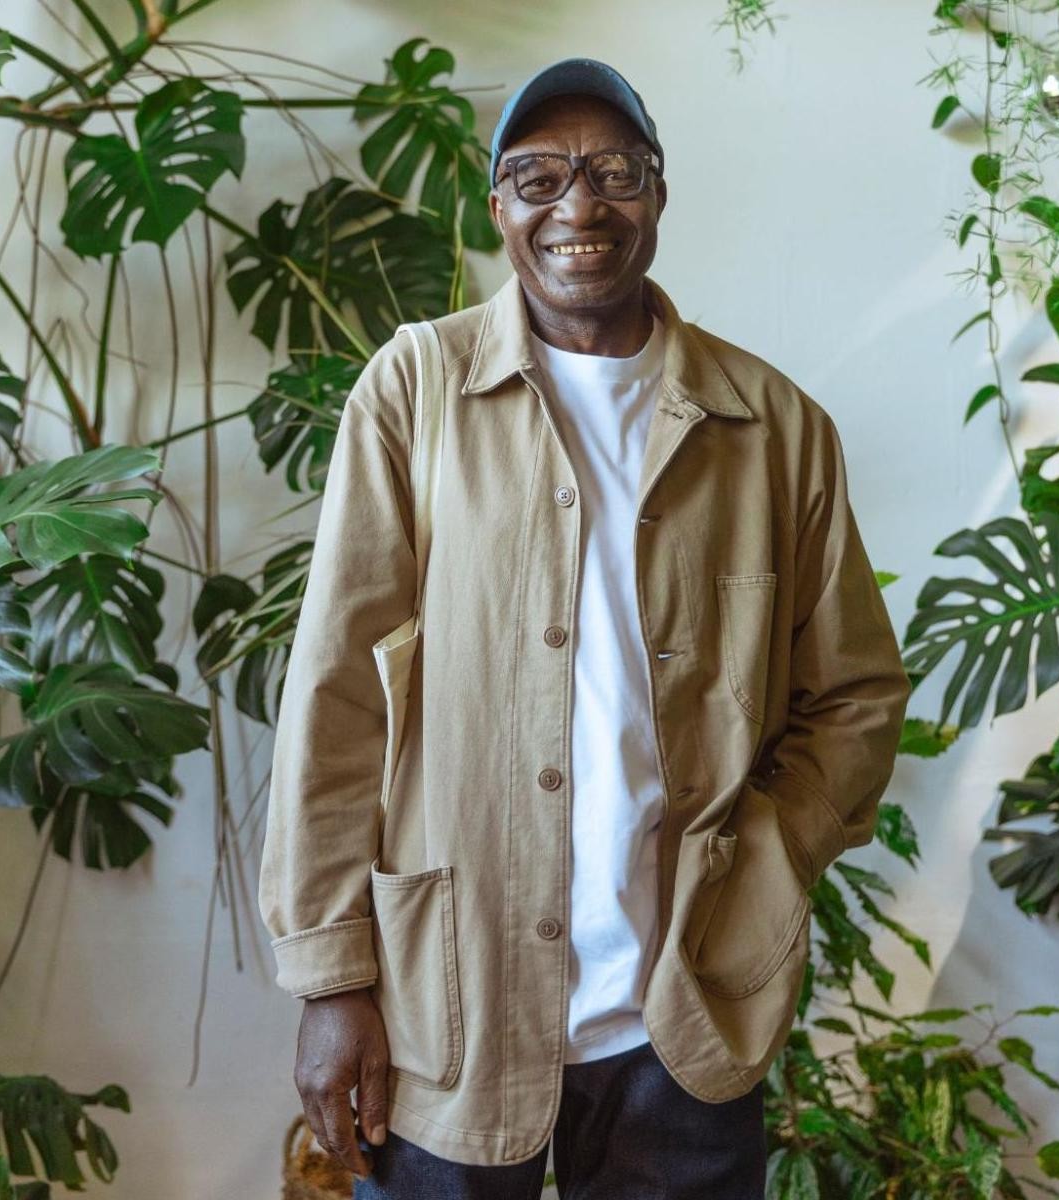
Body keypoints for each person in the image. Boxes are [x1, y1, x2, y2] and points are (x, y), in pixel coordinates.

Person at [258, 56, 912, 1200]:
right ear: (498, 203)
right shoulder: (418, 391)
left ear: (657, 194)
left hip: (682, 1014)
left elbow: (854, 693)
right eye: (540, 175)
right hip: (447, 1001)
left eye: (615, 171)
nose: (580, 205)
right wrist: (330, 980)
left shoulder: (774, 428)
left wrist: (771, 855)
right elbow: (338, 700)